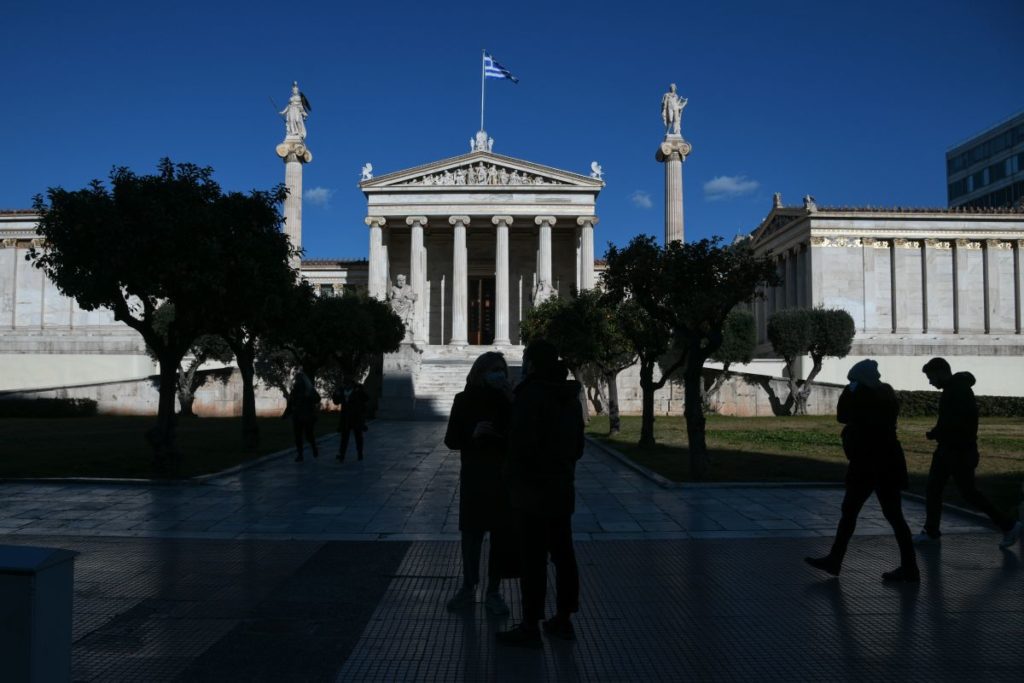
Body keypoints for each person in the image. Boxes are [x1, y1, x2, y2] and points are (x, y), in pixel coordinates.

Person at [496, 340, 584, 648]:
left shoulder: (530, 395)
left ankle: (530, 625)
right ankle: (563, 618)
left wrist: (512, 476)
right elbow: (578, 446)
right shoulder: (570, 396)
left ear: (531, 364)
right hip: (561, 486)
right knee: (564, 555)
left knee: (532, 560)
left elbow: (521, 445)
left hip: (533, 490)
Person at [805, 360, 920, 582]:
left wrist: (849, 392)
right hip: (888, 460)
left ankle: (835, 560)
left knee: (850, 512)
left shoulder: (860, 394)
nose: (851, 383)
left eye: (853, 379)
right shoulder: (886, 392)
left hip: (867, 462)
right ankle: (910, 566)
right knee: (894, 516)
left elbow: (842, 416)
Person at [914, 358, 1022, 548]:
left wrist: (937, 433)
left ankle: (1009, 525)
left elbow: (957, 422)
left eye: (931, 377)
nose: (930, 382)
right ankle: (931, 531)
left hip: (957, 451)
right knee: (938, 490)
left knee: (964, 492)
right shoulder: (955, 389)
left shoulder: (957, 391)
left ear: (940, 372)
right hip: (952, 449)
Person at [443, 352, 515, 617]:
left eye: (501, 370)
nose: (498, 374)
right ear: (480, 372)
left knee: (500, 537)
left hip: (502, 476)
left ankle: (493, 591)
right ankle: (467, 586)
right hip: (474, 476)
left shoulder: (509, 401)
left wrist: (512, 401)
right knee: (471, 535)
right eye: (493, 369)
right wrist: (473, 435)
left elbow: (525, 435)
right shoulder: (463, 401)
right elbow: (451, 439)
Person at [285, 369, 320, 462]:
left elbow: (317, 398)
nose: (297, 381)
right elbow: (290, 402)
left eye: (299, 379)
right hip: (297, 416)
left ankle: (314, 448)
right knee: (298, 436)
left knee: (309, 435)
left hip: (308, 416)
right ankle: (300, 454)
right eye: (297, 379)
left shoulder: (309, 389)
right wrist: (286, 413)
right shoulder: (294, 391)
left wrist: (309, 396)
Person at [332, 380, 369, 462]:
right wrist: (336, 394)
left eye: (347, 383)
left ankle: (360, 453)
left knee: (358, 436)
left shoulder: (358, 388)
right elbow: (336, 402)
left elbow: (366, 398)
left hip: (356, 417)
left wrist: (361, 391)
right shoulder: (341, 390)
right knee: (344, 437)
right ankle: (342, 455)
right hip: (345, 417)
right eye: (345, 383)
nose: (345, 385)